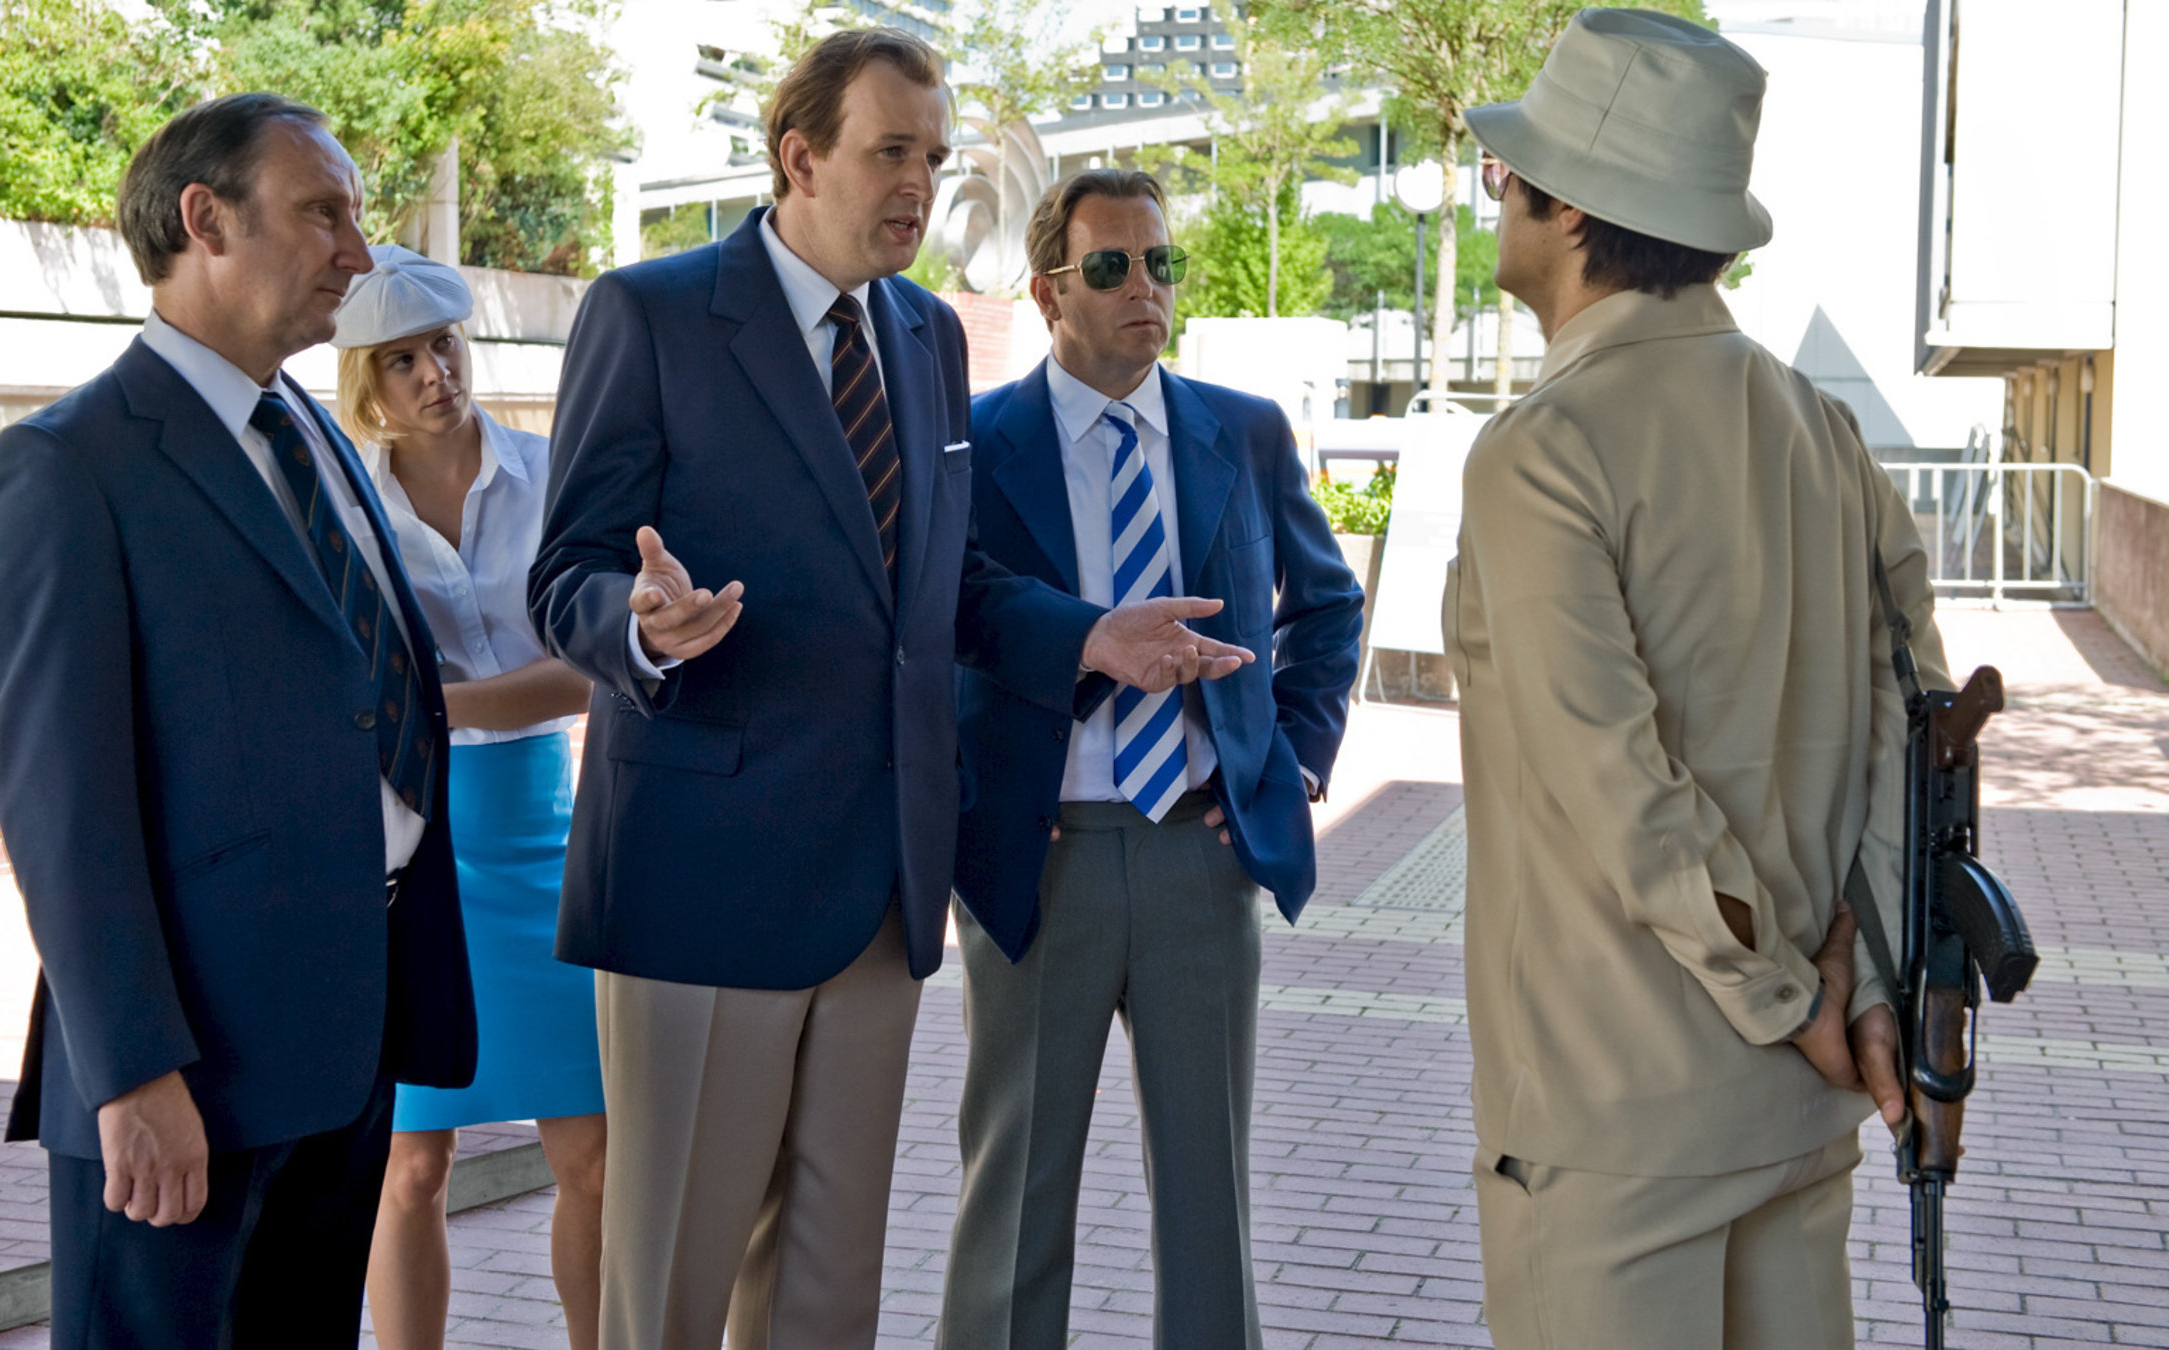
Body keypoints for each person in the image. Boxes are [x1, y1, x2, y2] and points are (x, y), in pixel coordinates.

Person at [528, 27, 1252, 1350]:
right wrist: (641, 627)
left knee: (827, 1289)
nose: (920, 183)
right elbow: (567, 568)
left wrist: (1090, 636)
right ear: (801, 157)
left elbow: (953, 580)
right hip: (705, 886)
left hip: (880, 888)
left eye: (933, 154)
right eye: (891, 153)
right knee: (673, 1291)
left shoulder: (924, 333)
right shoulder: (653, 313)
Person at [1443, 11, 1946, 1348]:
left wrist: (1792, 1003)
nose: (1499, 189)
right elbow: (1922, 731)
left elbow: (1623, 790)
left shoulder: (1539, 453)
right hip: (1798, 1116)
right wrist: (1870, 985)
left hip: (1616, 1128)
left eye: (1514, 170)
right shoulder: (1824, 428)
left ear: (1572, 211)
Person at [0, 93, 476, 1347]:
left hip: (345, 1042)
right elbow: (61, 807)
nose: (357, 254)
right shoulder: (68, 465)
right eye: (323, 214)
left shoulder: (313, 427)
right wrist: (136, 1072)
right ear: (205, 220)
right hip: (186, 1072)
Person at [937, 168, 1364, 1349]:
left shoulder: (1245, 430)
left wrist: (1296, 763)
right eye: (1113, 267)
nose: (1146, 289)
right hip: (1041, 858)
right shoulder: (976, 442)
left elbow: (1326, 608)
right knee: (1014, 1196)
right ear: (1048, 289)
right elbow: (953, 618)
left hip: (1198, 858)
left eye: (1161, 263)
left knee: (1208, 1197)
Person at [329, 246, 608, 1350]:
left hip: (549, 835)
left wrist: (452, 705)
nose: (433, 373)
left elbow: (598, 666)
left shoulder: (555, 475)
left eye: (443, 345)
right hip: (406, 850)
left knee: (588, 1150)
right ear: (365, 380)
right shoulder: (343, 502)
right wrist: (472, 698)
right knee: (409, 1161)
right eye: (400, 360)